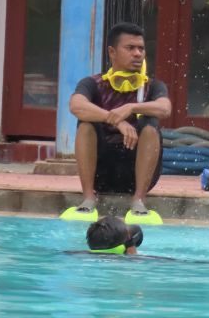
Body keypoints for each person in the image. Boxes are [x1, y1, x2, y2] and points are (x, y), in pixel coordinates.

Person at [68, 22, 171, 220]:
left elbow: (165, 108)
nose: (138, 54)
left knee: (151, 126)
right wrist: (115, 120)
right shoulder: (93, 83)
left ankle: (139, 199)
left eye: (141, 48)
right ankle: (88, 197)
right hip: (101, 172)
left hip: (135, 174)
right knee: (86, 124)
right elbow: (76, 105)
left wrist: (131, 108)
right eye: (130, 48)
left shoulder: (152, 86)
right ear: (112, 52)